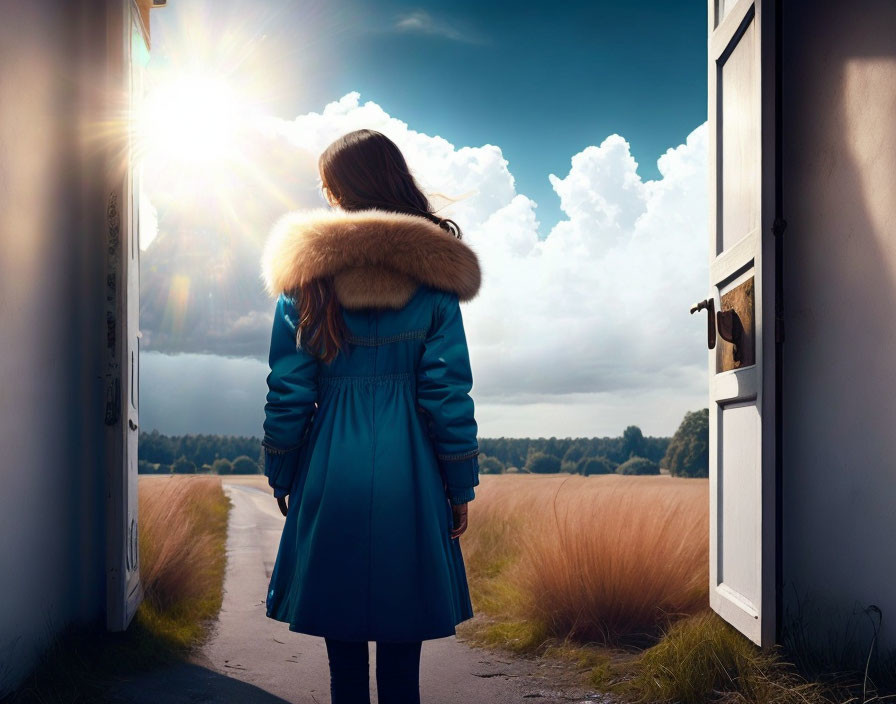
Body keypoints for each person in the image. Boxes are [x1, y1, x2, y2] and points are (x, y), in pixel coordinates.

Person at [258, 128, 481, 704]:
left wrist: (282, 472)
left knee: (345, 661)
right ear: (394, 179)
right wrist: (459, 484)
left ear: (338, 191)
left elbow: (288, 389)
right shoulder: (435, 278)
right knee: (404, 655)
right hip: (413, 472)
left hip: (331, 465)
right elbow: (447, 392)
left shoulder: (307, 276)